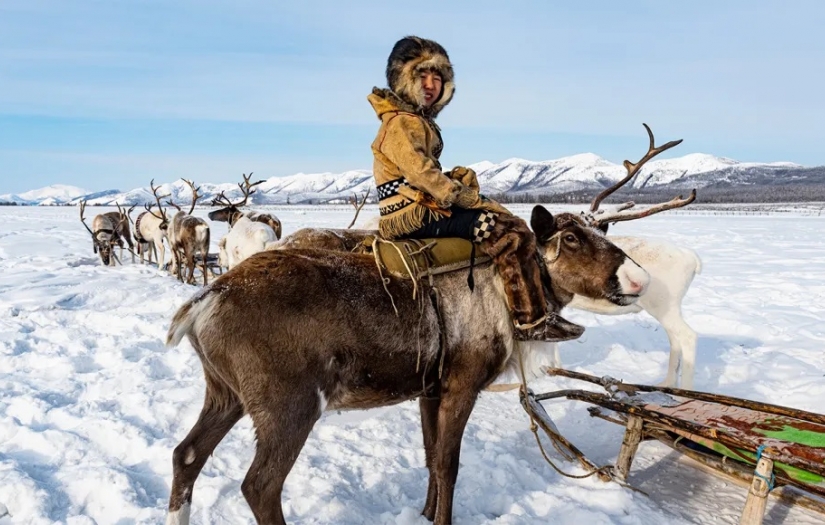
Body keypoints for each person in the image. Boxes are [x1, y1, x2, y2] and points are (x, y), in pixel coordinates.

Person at [367, 36, 584, 342]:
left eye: (437, 77)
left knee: (504, 219)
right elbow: (419, 173)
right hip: (414, 215)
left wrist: (456, 179)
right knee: (510, 234)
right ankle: (530, 320)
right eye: (421, 76)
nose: (430, 84)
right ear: (403, 80)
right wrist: (459, 194)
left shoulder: (413, 120)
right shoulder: (402, 122)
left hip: (422, 208)